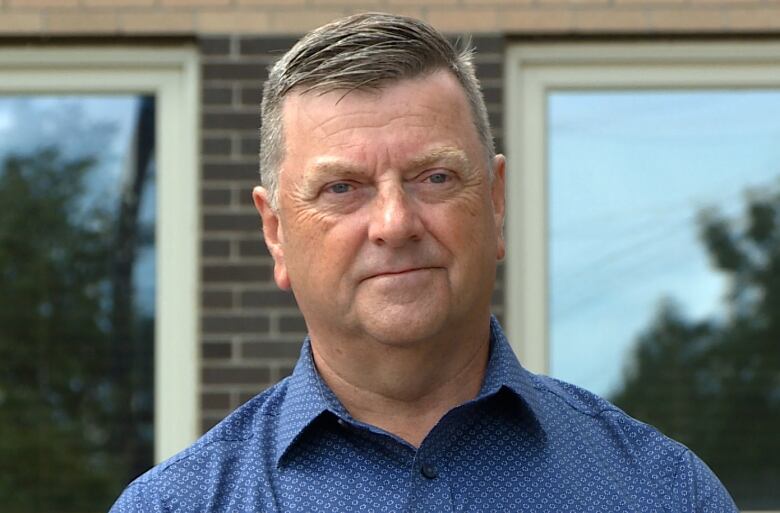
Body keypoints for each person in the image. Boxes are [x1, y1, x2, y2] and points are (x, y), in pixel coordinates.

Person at [110, 12, 737, 512]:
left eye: (434, 177)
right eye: (342, 188)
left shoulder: (663, 494)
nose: (395, 223)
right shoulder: (177, 505)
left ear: (494, 202)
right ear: (276, 232)